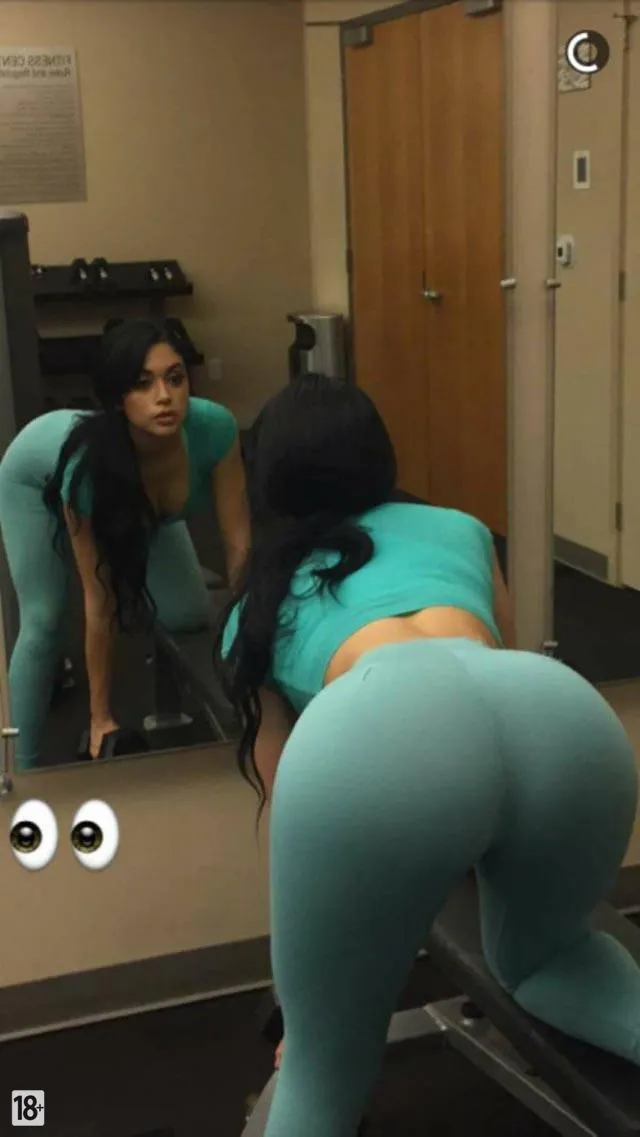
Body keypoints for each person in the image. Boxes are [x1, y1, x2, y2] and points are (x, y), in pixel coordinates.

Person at [216, 374, 640, 1137]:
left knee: (320, 1070)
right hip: (558, 710)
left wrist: (306, 1011)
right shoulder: (460, 528)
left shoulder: (261, 595)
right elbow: (488, 693)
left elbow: (286, 790)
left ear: (268, 478)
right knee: (550, 959)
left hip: (375, 731)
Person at [0, 317, 250, 768]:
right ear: (118, 398)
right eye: (142, 383)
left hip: (143, 504)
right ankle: (21, 765)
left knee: (189, 613)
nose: (163, 396)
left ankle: (139, 559)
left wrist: (253, 651)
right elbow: (99, 603)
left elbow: (239, 549)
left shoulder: (215, 429)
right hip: (35, 477)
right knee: (44, 619)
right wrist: (100, 719)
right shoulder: (86, 468)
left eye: (175, 378)